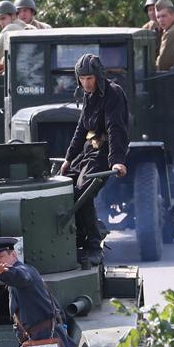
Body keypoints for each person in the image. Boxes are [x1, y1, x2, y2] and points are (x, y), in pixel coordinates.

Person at [58, 54, 129, 265]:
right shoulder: (88, 95)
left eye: (90, 78)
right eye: (82, 78)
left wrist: (117, 160)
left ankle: (93, 243)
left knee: (83, 191)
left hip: (105, 152)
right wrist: (69, 158)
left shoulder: (113, 93)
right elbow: (81, 129)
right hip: (89, 151)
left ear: (98, 76)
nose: (86, 83)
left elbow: (116, 128)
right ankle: (78, 236)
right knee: (63, 185)